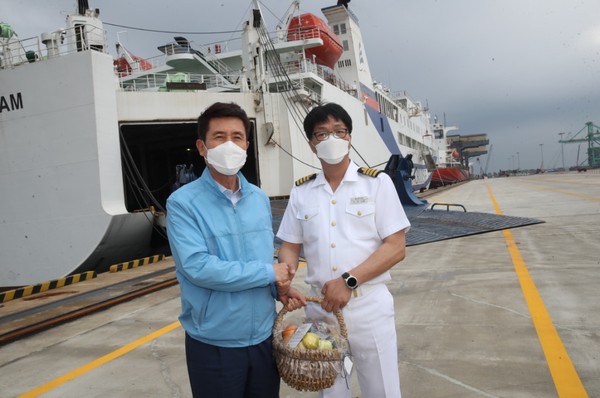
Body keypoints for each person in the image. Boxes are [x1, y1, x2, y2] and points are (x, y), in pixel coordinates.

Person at [276, 102, 410, 397]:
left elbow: (396, 247)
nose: (332, 138)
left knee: (382, 391)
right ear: (312, 144)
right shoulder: (302, 192)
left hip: (368, 309)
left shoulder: (376, 184)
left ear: (349, 137)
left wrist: (349, 280)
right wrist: (285, 280)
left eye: (339, 131)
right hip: (321, 313)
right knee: (333, 392)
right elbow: (289, 246)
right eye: (322, 134)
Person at [166, 102, 291, 398]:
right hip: (214, 342)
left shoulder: (259, 199)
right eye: (219, 137)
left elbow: (260, 258)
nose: (229, 144)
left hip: (263, 336)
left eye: (237, 137)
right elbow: (197, 267)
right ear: (202, 146)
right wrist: (268, 272)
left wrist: (278, 288)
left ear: (247, 145)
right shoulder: (183, 203)